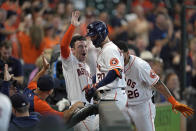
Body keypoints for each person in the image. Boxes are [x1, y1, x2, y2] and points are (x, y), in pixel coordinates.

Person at [115, 41, 194, 131]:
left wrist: (173, 102)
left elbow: (158, 84)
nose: (119, 57)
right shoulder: (113, 64)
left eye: (121, 54)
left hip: (142, 106)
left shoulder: (140, 66)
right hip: (125, 105)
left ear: (127, 53)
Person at [60, 11, 97, 131]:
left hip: (90, 108)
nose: (84, 49)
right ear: (73, 50)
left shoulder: (87, 67)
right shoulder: (70, 62)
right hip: (79, 110)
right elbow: (63, 46)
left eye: (85, 46)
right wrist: (72, 26)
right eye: (80, 46)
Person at [23, 55, 84, 122]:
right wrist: (75, 106)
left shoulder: (29, 89)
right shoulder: (39, 104)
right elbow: (63, 118)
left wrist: (44, 69)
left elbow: (35, 79)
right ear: (50, 92)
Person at [83, 20, 126, 111]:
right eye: (90, 36)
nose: (92, 39)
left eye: (93, 36)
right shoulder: (105, 49)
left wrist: (95, 87)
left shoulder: (110, 49)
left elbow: (115, 72)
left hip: (113, 95)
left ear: (101, 33)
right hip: (109, 95)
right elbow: (103, 73)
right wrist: (92, 83)